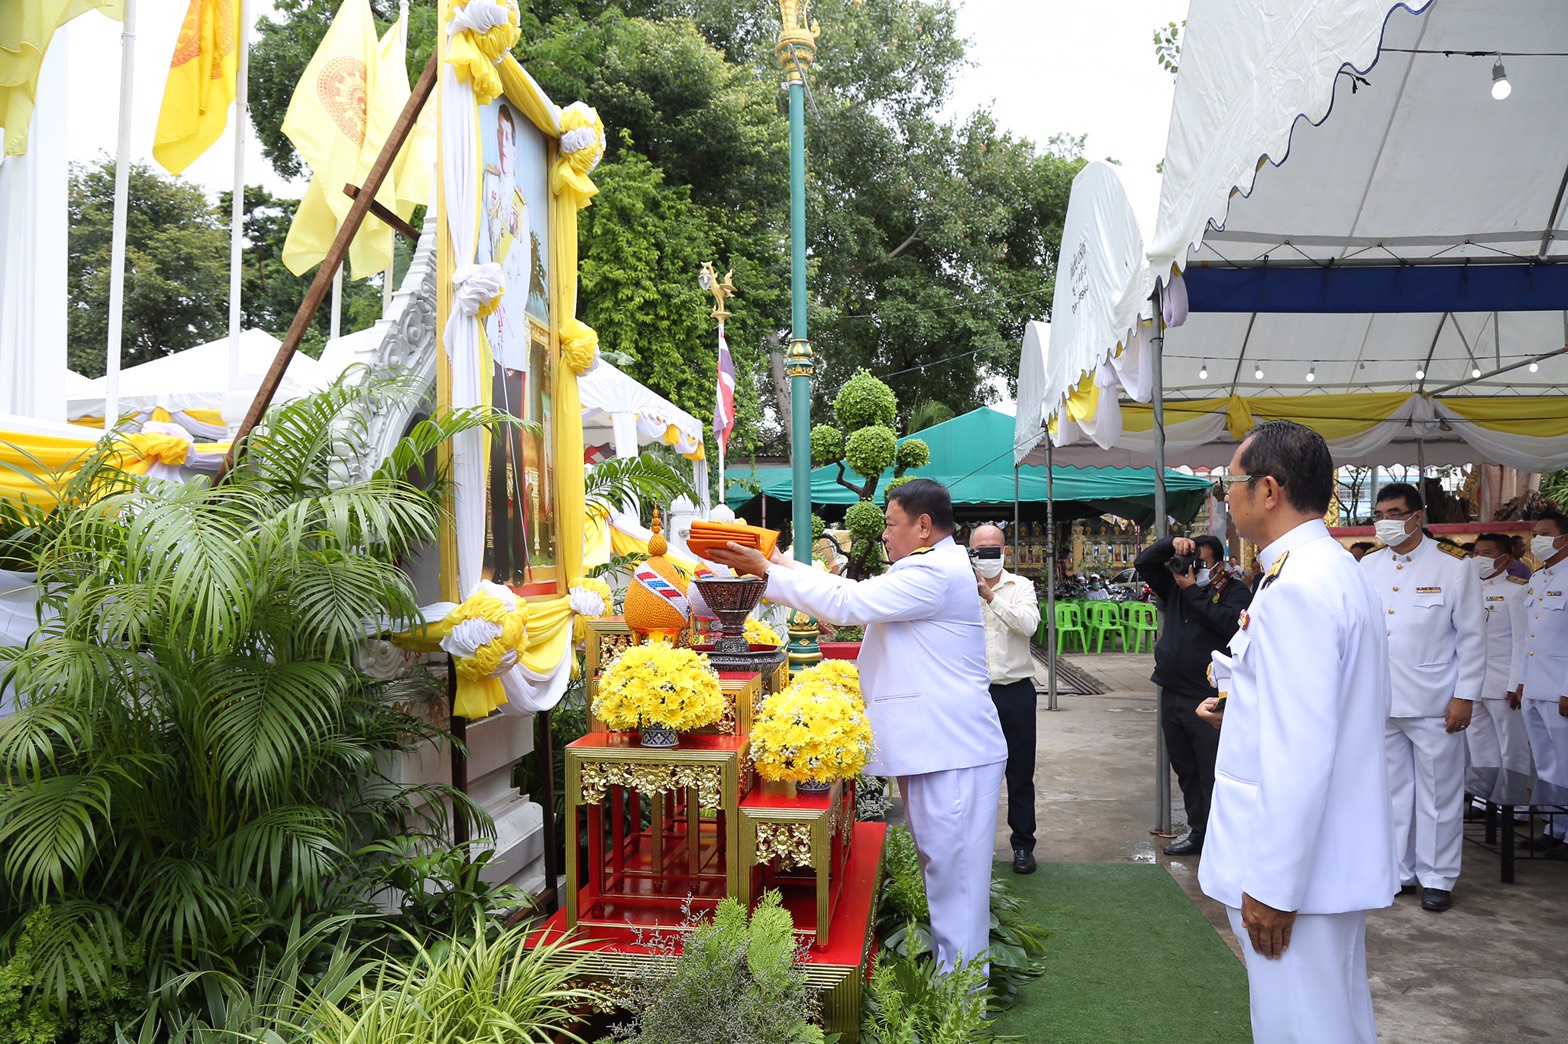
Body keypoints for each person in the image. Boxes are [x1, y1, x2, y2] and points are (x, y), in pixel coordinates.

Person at [709, 480, 1008, 971]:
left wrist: (766, 571)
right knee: (945, 870)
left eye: (891, 525)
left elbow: (850, 603)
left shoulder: (935, 570)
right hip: (939, 746)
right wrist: (779, 563)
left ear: (924, 527)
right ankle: (956, 981)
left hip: (953, 747)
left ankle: (964, 993)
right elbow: (851, 594)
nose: (885, 536)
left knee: (958, 878)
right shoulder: (932, 565)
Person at [1197, 420, 1396, 1044]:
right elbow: (1315, 709)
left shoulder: (1299, 586)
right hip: (1325, 856)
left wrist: (1274, 886)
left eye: (1231, 481)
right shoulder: (1326, 569)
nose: (1225, 495)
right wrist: (1245, 707)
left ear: (1269, 490)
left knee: (1300, 1028)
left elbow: (1303, 749)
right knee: (1332, 1020)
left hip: (1297, 873)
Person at [1361, 483, 1484, 913]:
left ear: (1418, 516)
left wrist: (1465, 696)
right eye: (1379, 514)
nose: (1385, 522)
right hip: (1384, 700)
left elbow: (1471, 638)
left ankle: (1438, 876)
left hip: (1436, 701)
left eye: (1394, 512)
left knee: (1438, 794)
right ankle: (1400, 871)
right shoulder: (1369, 565)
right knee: (1393, 791)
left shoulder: (1453, 567)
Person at [1135, 532, 1252, 857]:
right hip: (1172, 689)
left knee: (1211, 769)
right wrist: (1172, 544)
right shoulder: (1175, 585)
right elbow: (1144, 562)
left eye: (1198, 561)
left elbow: (1230, 625)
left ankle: (1221, 837)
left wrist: (1193, 592)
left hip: (1208, 696)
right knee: (1185, 768)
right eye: (1188, 560)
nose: (1190, 567)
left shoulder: (1234, 590)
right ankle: (1198, 831)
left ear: (1218, 562)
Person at [968, 524, 1042, 874]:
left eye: (993, 550)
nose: (987, 556)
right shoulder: (959, 587)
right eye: (979, 550)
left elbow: (1028, 626)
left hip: (1015, 692)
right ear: (970, 553)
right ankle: (970, 847)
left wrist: (990, 597)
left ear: (1004, 552)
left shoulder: (1020, 586)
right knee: (971, 773)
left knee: (1020, 772)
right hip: (973, 694)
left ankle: (1023, 846)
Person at [1465, 533, 1533, 807]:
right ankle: (1483, 799)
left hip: (1503, 682)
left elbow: (1522, 640)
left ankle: (1513, 804)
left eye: (1487, 552)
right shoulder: (1467, 590)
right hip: (1473, 683)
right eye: (1476, 551)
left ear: (1504, 559)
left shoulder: (1517, 591)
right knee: (1480, 745)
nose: (1478, 557)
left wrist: (1515, 682)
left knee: (1511, 747)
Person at [1516, 511, 1568, 855]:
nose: (1538, 540)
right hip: (1535, 686)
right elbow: (1529, 638)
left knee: (1566, 762)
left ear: (1564, 539)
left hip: (1560, 689)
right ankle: (1554, 827)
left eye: (1545, 533)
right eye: (1536, 533)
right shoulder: (1538, 579)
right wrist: (1521, 681)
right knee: (1546, 762)